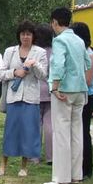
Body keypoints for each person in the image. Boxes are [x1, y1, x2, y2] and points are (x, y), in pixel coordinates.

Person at [46, 8, 90, 184]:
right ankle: (76, 175)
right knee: (76, 133)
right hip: (80, 89)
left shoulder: (60, 40)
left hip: (64, 89)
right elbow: (87, 62)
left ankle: (61, 177)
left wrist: (55, 86)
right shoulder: (79, 40)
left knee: (61, 133)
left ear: (55, 22)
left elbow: (58, 64)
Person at [0, 21, 47, 177]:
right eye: (23, 34)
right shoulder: (10, 51)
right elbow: (1, 73)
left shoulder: (40, 52)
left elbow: (43, 75)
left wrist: (34, 64)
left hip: (31, 98)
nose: (26, 37)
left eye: (29, 34)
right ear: (19, 36)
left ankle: (24, 166)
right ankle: (3, 165)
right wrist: (14, 72)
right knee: (10, 131)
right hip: (13, 97)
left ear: (33, 36)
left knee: (28, 132)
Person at [72, 22, 93, 180]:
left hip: (86, 97)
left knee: (83, 131)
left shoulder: (89, 55)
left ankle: (86, 167)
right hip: (77, 95)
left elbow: (87, 81)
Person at [34, 22, 55, 164]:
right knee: (50, 125)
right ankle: (50, 156)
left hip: (36, 90)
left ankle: (34, 156)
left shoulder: (35, 52)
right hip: (51, 90)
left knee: (36, 124)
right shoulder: (54, 52)